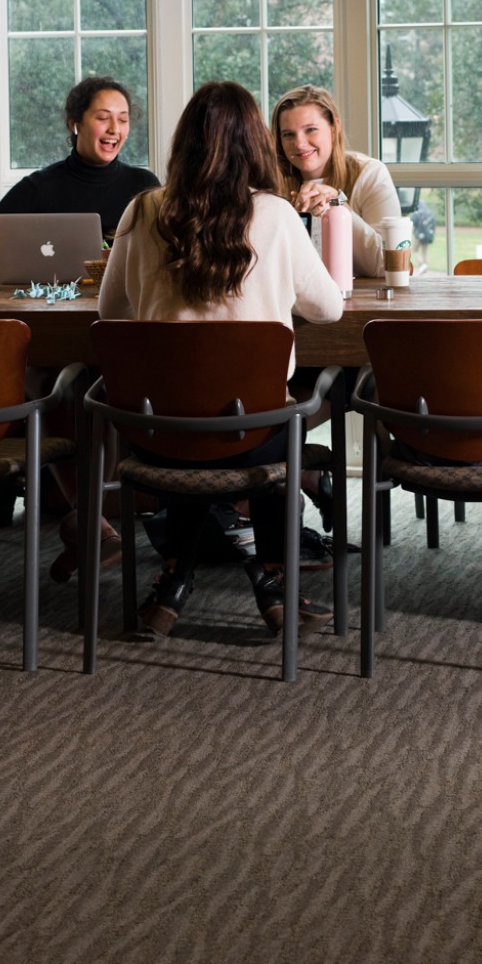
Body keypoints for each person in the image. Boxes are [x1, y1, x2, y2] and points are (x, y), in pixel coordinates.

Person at [99, 80, 345, 638]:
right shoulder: (278, 215)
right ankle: (273, 581)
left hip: (156, 432)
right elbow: (328, 310)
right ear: (256, 144)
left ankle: (174, 581)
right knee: (255, 414)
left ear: (183, 144)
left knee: (189, 414)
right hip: (252, 432)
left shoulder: (142, 210)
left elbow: (111, 311)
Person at [0, 75, 159, 279]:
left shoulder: (144, 185)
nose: (114, 129)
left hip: (124, 306)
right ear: (75, 124)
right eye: (103, 118)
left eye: (123, 120)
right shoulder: (39, 186)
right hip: (55, 304)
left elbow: (166, 255)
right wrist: (35, 269)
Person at [270, 85, 402, 278]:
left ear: (335, 128)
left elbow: (385, 264)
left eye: (311, 130)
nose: (299, 143)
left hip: (359, 302)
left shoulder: (370, 174)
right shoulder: (270, 183)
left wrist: (336, 202)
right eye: (288, 134)